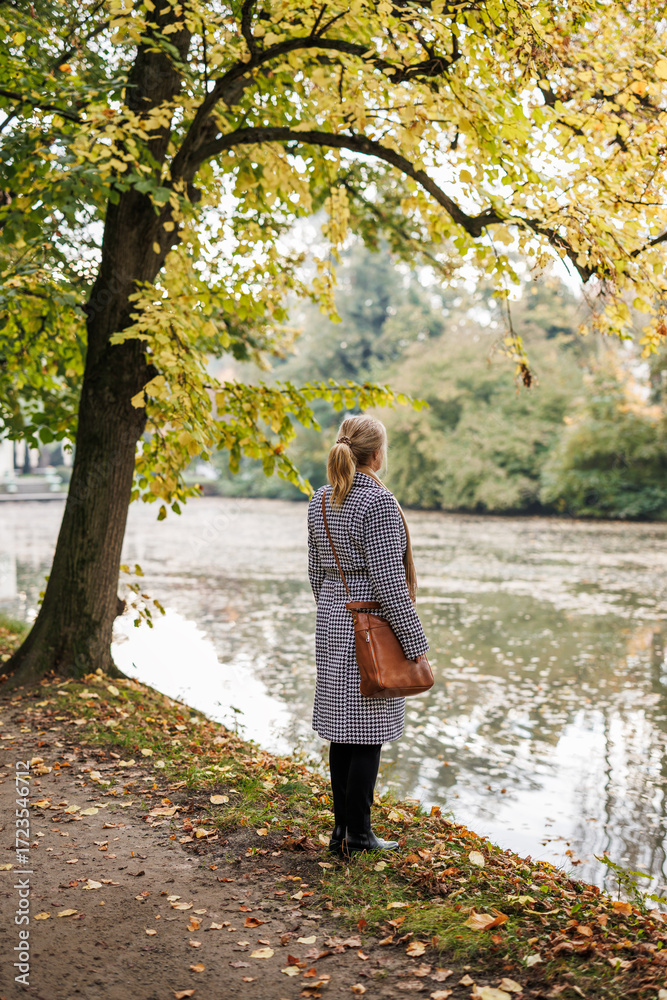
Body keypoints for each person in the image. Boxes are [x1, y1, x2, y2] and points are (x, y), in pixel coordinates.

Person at [307, 413, 429, 856]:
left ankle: (342, 830)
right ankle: (358, 835)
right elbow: (389, 582)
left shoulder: (321, 499)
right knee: (367, 732)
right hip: (370, 624)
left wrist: (332, 611)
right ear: (376, 454)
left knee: (343, 730)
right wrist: (415, 643)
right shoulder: (377, 502)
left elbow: (315, 572)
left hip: (333, 618)